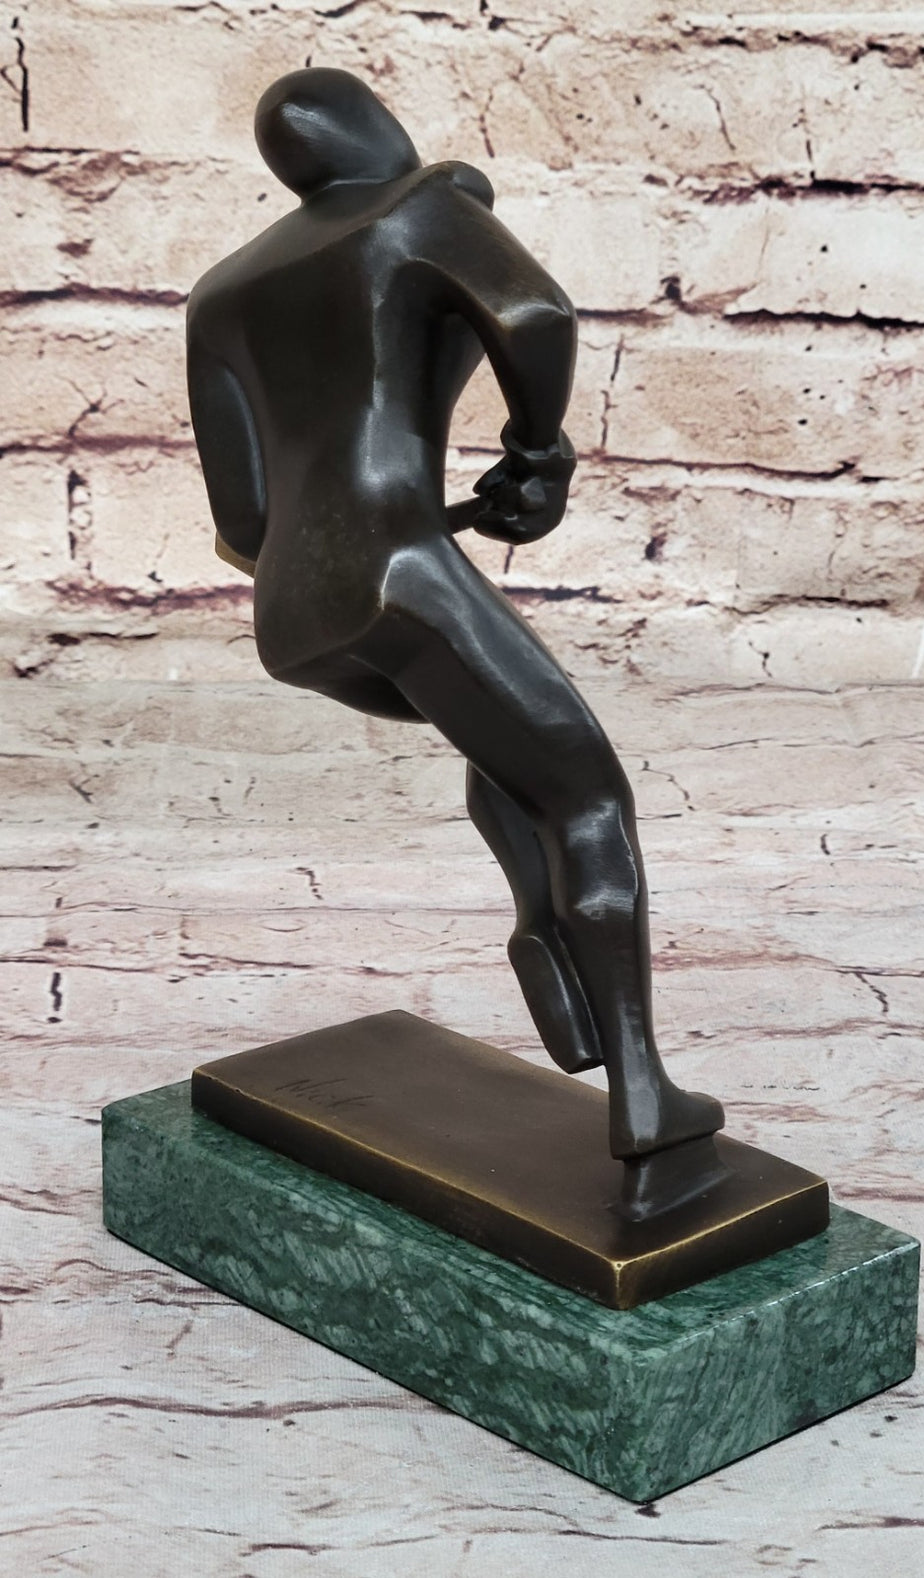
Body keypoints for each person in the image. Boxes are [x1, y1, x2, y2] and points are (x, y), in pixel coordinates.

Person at [186, 68, 724, 1204]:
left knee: (500, 738)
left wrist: (384, 525)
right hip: (401, 574)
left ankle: (542, 921)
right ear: (373, 130)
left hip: (297, 616)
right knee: (588, 798)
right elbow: (533, 315)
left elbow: (244, 524)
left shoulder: (222, 298)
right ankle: (645, 1100)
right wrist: (537, 453)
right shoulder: (416, 207)